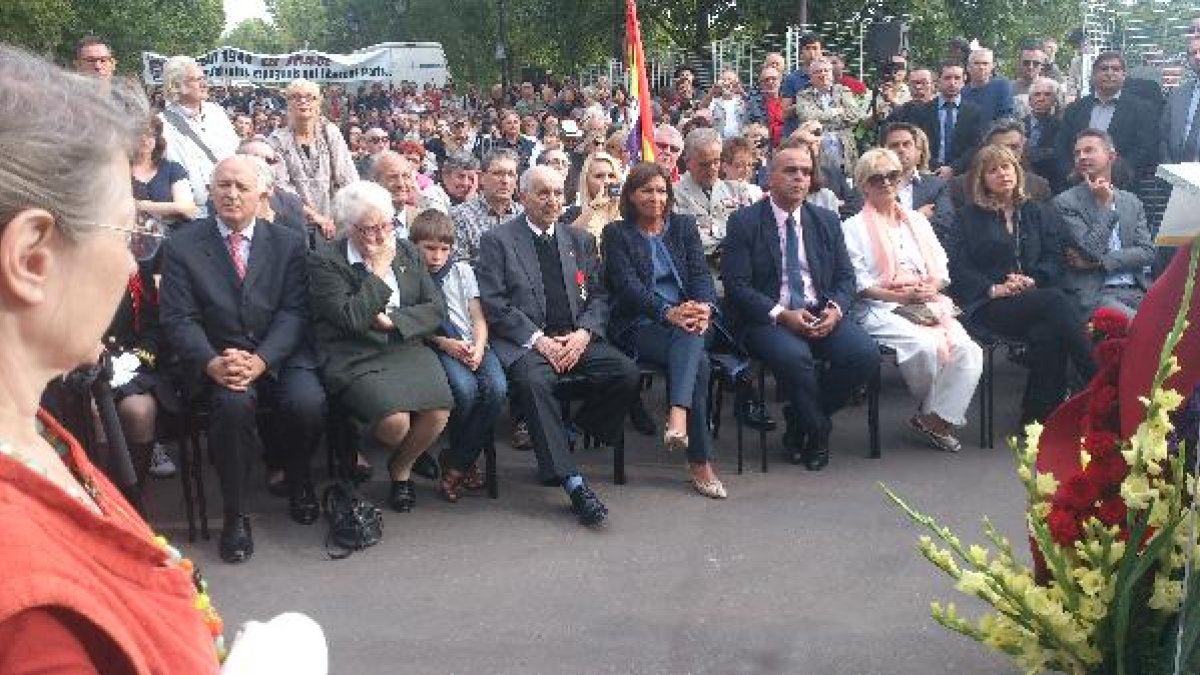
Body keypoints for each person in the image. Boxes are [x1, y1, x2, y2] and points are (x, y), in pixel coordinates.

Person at [0, 43, 333, 675]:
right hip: (209, 373)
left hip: (271, 363)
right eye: (127, 230)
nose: (134, 262)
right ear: (32, 257)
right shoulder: (28, 610)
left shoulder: (40, 437)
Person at [160, 156, 326, 563]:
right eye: (222, 185)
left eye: (241, 187)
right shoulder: (183, 244)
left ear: (262, 195)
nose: (231, 193)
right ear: (211, 191)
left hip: (278, 354)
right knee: (233, 407)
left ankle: (299, 477)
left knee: (308, 402)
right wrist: (213, 363)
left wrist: (263, 360)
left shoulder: (287, 241)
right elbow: (178, 318)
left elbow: (295, 312)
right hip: (218, 360)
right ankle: (236, 513)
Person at [476, 166, 640, 526]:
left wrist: (584, 334)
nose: (552, 201)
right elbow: (494, 303)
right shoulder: (498, 241)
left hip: (575, 338)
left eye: (557, 193)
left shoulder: (578, 240)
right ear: (523, 197)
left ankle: (574, 429)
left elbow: (599, 295)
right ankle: (573, 482)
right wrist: (539, 341)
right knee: (535, 385)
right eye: (542, 193)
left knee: (627, 374)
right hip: (529, 342)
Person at [721, 140, 881, 471]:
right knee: (796, 358)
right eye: (790, 170)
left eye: (806, 172)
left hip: (818, 311)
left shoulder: (825, 220)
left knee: (864, 355)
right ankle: (818, 432)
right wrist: (781, 314)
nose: (800, 178)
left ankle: (800, 418)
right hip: (766, 319)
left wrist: (835, 310)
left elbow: (846, 279)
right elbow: (736, 287)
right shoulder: (744, 223)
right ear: (770, 177)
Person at [307, 181, 452, 514]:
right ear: (349, 228)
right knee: (395, 423)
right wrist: (381, 267)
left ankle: (401, 469)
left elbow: (435, 307)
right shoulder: (326, 260)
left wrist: (395, 322)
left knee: (438, 410)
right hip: (354, 351)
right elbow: (351, 317)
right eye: (369, 229)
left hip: (403, 344)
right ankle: (362, 443)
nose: (380, 236)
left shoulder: (408, 251)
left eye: (385, 225)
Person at [842, 149, 982, 453]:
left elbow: (942, 268)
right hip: (883, 305)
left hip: (928, 300)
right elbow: (859, 284)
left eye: (892, 175)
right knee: (925, 346)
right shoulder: (851, 228)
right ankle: (934, 412)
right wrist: (901, 295)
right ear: (863, 185)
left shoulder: (917, 221)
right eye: (876, 178)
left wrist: (930, 287)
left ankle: (933, 418)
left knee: (969, 351)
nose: (886, 182)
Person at [945, 145, 1096, 425]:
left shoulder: (1038, 212)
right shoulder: (968, 217)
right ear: (981, 179)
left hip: (1035, 299)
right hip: (989, 304)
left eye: (1007, 167)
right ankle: (1097, 379)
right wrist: (994, 287)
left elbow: (1054, 258)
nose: (1003, 174)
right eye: (993, 170)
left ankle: (1036, 419)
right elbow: (957, 267)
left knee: (1049, 333)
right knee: (1056, 303)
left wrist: (1032, 279)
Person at [602, 163, 726, 498]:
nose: (655, 197)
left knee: (692, 331)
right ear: (631, 195)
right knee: (698, 364)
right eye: (646, 190)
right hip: (642, 324)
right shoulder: (617, 234)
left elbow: (701, 275)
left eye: (661, 190)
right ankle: (698, 460)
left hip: (693, 319)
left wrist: (703, 307)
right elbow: (627, 288)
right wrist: (666, 311)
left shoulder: (683, 227)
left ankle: (677, 415)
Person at [409, 211, 505, 502]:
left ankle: (458, 460)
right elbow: (412, 326)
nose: (437, 256)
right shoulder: (409, 276)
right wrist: (446, 344)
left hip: (472, 343)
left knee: (497, 390)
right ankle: (464, 461)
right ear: (414, 245)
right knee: (465, 391)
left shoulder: (462, 271)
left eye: (444, 249)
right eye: (429, 248)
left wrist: (478, 346)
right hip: (439, 346)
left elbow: (477, 317)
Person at [1052, 129, 1154, 318]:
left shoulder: (1131, 201)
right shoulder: (1064, 203)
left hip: (1139, 290)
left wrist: (1100, 262)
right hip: (1097, 294)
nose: (1082, 157)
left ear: (1111, 156)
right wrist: (1106, 205)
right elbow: (1090, 250)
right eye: (1077, 153)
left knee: (1176, 328)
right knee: (1141, 329)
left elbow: (1147, 252)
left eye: (1089, 150)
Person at [269, 79, 359, 241]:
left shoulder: (330, 132)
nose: (303, 101)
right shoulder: (277, 139)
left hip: (334, 223)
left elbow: (347, 177)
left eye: (310, 97)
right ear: (288, 103)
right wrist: (315, 217)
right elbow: (281, 188)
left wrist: (341, 216)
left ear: (318, 103)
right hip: (293, 226)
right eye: (296, 97)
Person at [1056, 51, 1159, 185]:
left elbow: (1144, 147)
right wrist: (1072, 172)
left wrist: (1117, 173)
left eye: (1116, 69)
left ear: (1124, 75)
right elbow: (1061, 145)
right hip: (1078, 182)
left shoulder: (1142, 109)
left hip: (1122, 184)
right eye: (1104, 69)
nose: (1109, 73)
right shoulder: (1075, 109)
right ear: (1093, 75)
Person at [158, 55, 239, 217]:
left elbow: (235, 151)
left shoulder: (217, 113)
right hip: (191, 214)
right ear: (176, 85)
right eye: (196, 80)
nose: (204, 84)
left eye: (204, 78)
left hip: (230, 205)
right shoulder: (161, 124)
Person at [905, 61, 985, 177]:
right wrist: (936, 167)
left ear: (964, 80)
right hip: (929, 173)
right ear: (938, 81)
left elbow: (976, 146)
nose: (952, 83)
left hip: (963, 175)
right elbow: (918, 143)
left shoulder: (974, 112)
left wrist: (953, 168)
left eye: (957, 78)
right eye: (947, 78)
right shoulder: (922, 111)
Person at [881, 122, 955, 243]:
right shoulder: (870, 187)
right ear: (884, 152)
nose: (901, 149)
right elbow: (868, 229)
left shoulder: (937, 186)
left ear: (918, 151)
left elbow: (944, 225)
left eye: (907, 144)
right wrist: (917, 217)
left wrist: (895, 225)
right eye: (894, 145)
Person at [673, 128, 741, 255]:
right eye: (704, 164)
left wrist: (712, 232)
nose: (712, 169)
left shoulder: (736, 190)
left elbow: (747, 234)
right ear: (687, 162)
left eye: (716, 161)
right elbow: (687, 241)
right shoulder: (673, 194)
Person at [450, 148, 524, 263]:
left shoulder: (524, 216)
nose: (505, 181)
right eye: (498, 173)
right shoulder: (460, 216)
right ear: (482, 178)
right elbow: (460, 270)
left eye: (510, 174)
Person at [795, 57, 865, 175]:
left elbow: (854, 115)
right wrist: (836, 111)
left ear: (831, 75)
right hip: (817, 147)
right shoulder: (803, 96)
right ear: (811, 77)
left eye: (826, 71)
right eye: (818, 72)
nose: (822, 75)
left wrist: (820, 118)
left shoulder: (843, 91)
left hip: (844, 147)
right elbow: (807, 117)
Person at [131, 116, 199, 228]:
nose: (145, 140)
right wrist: (173, 208)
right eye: (139, 135)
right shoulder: (121, 169)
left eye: (150, 134)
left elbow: (188, 209)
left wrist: (141, 205)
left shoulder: (172, 168)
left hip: (173, 237)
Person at [237, 137, 309, 234]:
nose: (263, 165)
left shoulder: (291, 203)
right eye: (254, 159)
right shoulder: (220, 200)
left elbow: (300, 246)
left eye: (268, 160)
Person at [1020, 77, 1067, 192]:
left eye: (1047, 95)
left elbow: (1057, 154)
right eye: (1037, 94)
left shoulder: (1062, 126)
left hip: (1050, 184)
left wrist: (1027, 154)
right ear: (1030, 101)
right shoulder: (1018, 125)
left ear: (1054, 100)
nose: (1041, 98)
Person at [564, 151, 623, 242]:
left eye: (611, 176)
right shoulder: (573, 214)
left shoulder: (627, 213)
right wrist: (593, 207)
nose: (607, 181)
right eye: (599, 176)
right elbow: (565, 241)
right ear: (586, 181)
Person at [1160, 33, 1200, 164]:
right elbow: (1162, 137)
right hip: (1177, 176)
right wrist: (1171, 170)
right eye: (1193, 53)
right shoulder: (1178, 95)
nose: (1198, 57)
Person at [369, 151, 422, 239]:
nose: (401, 184)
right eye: (392, 177)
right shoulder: (365, 223)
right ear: (375, 182)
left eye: (406, 176)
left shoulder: (421, 218)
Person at [780, 32, 824, 137]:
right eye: (808, 48)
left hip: (823, 136)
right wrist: (805, 103)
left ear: (821, 51)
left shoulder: (829, 77)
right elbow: (784, 113)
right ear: (801, 53)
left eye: (815, 48)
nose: (812, 53)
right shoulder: (792, 79)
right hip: (797, 137)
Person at [962, 48, 1015, 123]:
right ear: (968, 67)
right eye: (976, 63)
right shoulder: (963, 92)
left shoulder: (1002, 86)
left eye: (985, 63)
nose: (981, 67)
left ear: (992, 66)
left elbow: (1005, 118)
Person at [746, 64, 785, 148]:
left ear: (780, 80)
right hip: (764, 147)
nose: (770, 82)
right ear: (760, 84)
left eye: (774, 78)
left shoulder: (790, 99)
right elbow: (749, 126)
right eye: (766, 80)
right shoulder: (753, 103)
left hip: (787, 145)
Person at [707, 69, 748, 140]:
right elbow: (701, 107)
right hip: (720, 143)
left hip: (739, 143)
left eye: (730, 79)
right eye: (723, 80)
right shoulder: (714, 101)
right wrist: (713, 90)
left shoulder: (742, 101)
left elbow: (753, 104)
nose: (726, 83)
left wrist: (740, 90)